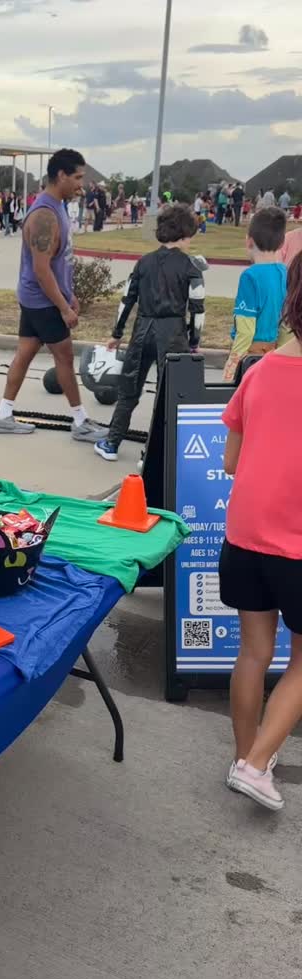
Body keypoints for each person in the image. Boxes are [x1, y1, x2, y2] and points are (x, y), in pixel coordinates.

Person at [220, 254, 302, 811]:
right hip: (298, 546)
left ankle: (248, 757)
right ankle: (255, 765)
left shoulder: (260, 370)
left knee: (253, 652)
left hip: (244, 539)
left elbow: (230, 460)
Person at [0, 148, 107, 443]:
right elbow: (42, 270)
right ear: (61, 175)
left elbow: (58, 262)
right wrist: (64, 307)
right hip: (42, 299)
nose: (81, 184)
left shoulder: (56, 207)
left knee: (25, 353)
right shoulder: (44, 215)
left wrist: (72, 294)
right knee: (64, 357)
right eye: (77, 178)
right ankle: (80, 422)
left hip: (35, 296)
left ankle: (3, 415)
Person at [95, 203, 205, 462]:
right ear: (186, 235)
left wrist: (117, 333)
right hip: (173, 333)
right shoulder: (192, 267)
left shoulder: (143, 262)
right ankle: (153, 452)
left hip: (142, 330)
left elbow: (126, 301)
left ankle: (112, 442)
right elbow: (198, 310)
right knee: (165, 394)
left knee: (129, 388)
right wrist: (193, 342)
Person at [222, 207, 287, 382]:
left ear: (249, 241)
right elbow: (285, 320)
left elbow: (245, 329)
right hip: (273, 350)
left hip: (250, 354)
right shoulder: (283, 272)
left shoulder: (250, 277)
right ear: (282, 243)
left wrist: (231, 368)